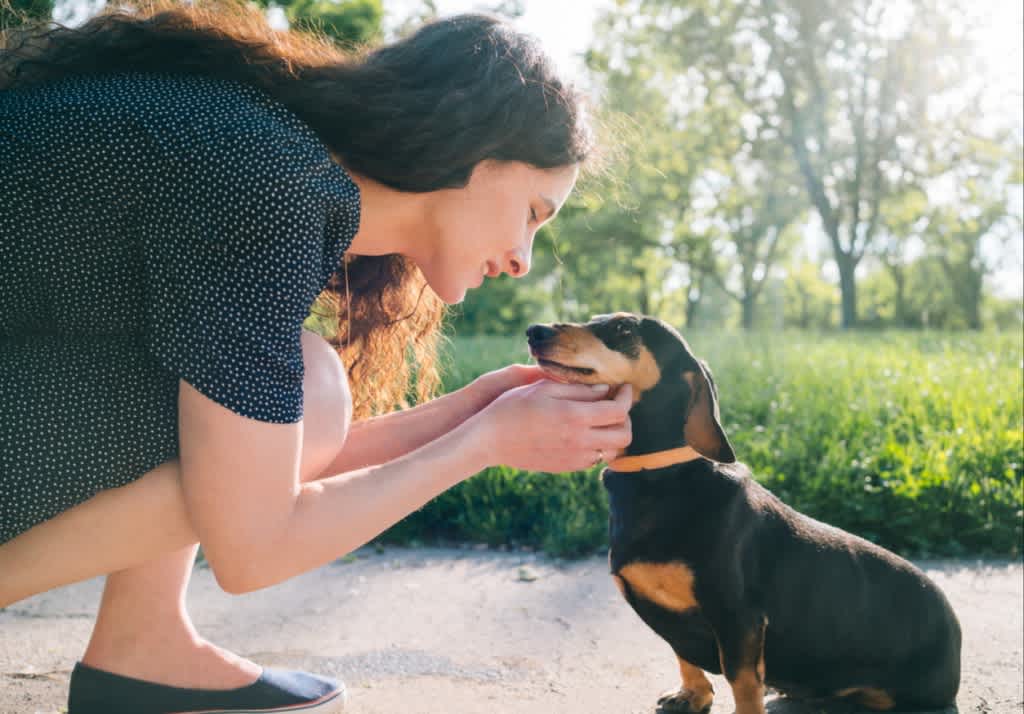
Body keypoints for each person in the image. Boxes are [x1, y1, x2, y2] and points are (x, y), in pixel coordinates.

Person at [0, 1, 633, 712]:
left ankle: (145, 646)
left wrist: (473, 413)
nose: (523, 258)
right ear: (477, 156)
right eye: (534, 213)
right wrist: (482, 444)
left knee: (287, 397)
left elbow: (249, 463)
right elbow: (253, 547)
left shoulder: (278, 160)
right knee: (312, 388)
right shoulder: (270, 187)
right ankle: (142, 646)